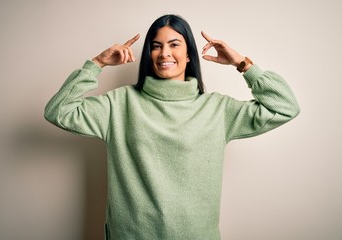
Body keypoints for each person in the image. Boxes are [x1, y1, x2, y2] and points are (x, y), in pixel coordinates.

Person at [45, 14, 300, 240]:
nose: (164, 53)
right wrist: (96, 63)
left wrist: (243, 64)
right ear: (149, 54)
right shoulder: (119, 104)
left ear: (189, 54)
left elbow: (284, 106)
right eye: (156, 46)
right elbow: (58, 111)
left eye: (174, 44)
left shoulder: (217, 110)